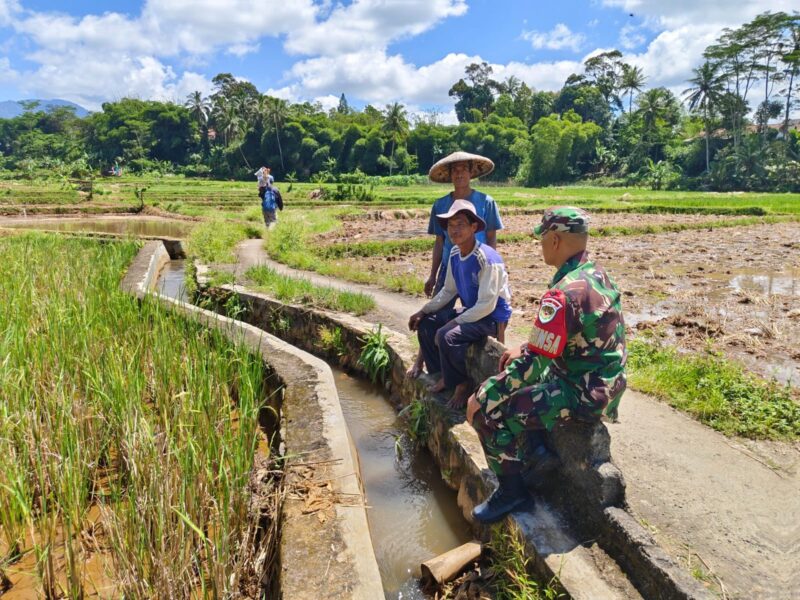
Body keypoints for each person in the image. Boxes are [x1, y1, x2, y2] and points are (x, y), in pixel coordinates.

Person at [465, 207, 627, 524]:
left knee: (491, 412)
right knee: (519, 378)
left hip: (581, 392)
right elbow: (568, 337)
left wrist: (482, 396)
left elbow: (531, 368)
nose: (540, 245)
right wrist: (526, 347)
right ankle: (537, 453)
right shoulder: (595, 275)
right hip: (604, 381)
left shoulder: (562, 294)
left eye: (542, 238)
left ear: (554, 239)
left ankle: (512, 492)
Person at [407, 151, 504, 378]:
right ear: (450, 175)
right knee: (434, 315)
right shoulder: (440, 205)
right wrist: (432, 275)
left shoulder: (486, 202)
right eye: (455, 170)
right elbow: (439, 242)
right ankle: (422, 362)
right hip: (452, 266)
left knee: (465, 317)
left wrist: (492, 270)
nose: (459, 173)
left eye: (464, 169)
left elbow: (491, 238)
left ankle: (487, 373)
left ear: (471, 173)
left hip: (477, 266)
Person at [408, 199, 512, 408]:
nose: (454, 230)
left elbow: (486, 305)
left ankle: (462, 384)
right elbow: (448, 291)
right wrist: (423, 310)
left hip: (490, 318)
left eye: (460, 224)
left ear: (474, 227)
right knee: (427, 324)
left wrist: (454, 324)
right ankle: (443, 375)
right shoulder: (455, 254)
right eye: (450, 225)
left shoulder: (487, 259)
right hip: (472, 312)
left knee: (447, 335)